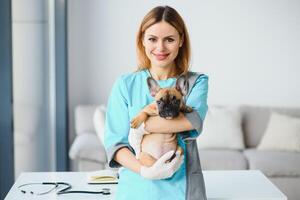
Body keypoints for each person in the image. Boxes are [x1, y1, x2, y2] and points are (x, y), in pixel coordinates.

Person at [104, 5, 208, 200]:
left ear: (181, 41)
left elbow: (190, 122)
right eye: (152, 39)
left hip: (182, 189)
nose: (160, 48)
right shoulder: (125, 84)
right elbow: (115, 145)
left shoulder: (196, 82)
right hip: (137, 189)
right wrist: (145, 171)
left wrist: (139, 125)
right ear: (142, 40)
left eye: (169, 39)